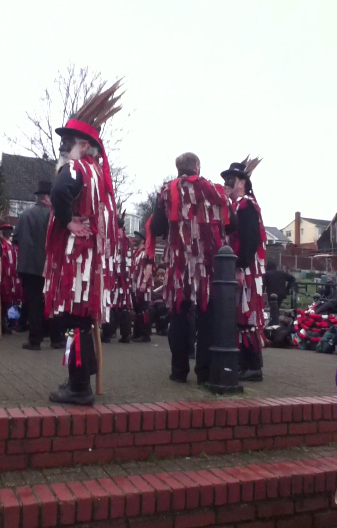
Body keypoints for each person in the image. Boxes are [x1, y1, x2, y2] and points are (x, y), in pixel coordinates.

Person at [44, 80, 122, 405]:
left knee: (73, 320)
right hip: (90, 262)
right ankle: (80, 381)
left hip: (78, 260)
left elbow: (60, 193)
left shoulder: (76, 169)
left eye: (69, 143)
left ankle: (78, 387)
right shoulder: (98, 177)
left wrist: (67, 221)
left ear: (85, 147)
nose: (65, 149)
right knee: (80, 321)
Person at [150, 152, 233, 383]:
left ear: (178, 168)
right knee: (206, 315)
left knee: (178, 314)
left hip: (179, 265)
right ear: (197, 166)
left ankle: (179, 371)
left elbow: (156, 227)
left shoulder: (167, 192)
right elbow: (231, 223)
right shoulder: (213, 190)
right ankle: (204, 371)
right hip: (207, 264)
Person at [221, 156, 266, 382]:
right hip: (239, 265)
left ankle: (254, 365)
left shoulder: (246, 205)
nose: (228, 183)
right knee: (240, 315)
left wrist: (240, 267)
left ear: (242, 183)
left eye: (232, 179)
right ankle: (244, 362)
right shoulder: (235, 206)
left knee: (247, 315)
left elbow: (249, 239)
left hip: (247, 268)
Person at [14, 181, 64, 350]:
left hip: (28, 267)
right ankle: (56, 338)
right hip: (49, 267)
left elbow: (15, 239)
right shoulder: (54, 216)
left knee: (34, 303)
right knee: (53, 302)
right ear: (46, 198)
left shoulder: (24, 215)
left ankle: (35, 340)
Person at [102, 210, 133, 343]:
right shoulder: (128, 242)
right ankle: (125, 334)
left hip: (115, 277)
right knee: (123, 305)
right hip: (124, 279)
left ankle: (108, 333)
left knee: (112, 304)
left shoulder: (113, 241)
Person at [131, 228, 153, 342]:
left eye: (137, 236)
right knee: (138, 309)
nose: (135, 238)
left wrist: (144, 282)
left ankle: (145, 334)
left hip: (142, 284)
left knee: (143, 309)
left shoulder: (147, 252)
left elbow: (148, 268)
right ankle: (137, 332)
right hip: (136, 285)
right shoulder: (136, 252)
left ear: (143, 239)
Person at [0, 224, 22, 334]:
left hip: (10, 278)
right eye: (5, 231)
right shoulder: (3, 245)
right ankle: (3, 325)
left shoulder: (11, 245)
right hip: (3, 276)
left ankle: (4, 324)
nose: (8, 233)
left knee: (7, 301)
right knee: (3, 301)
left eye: (9, 231)